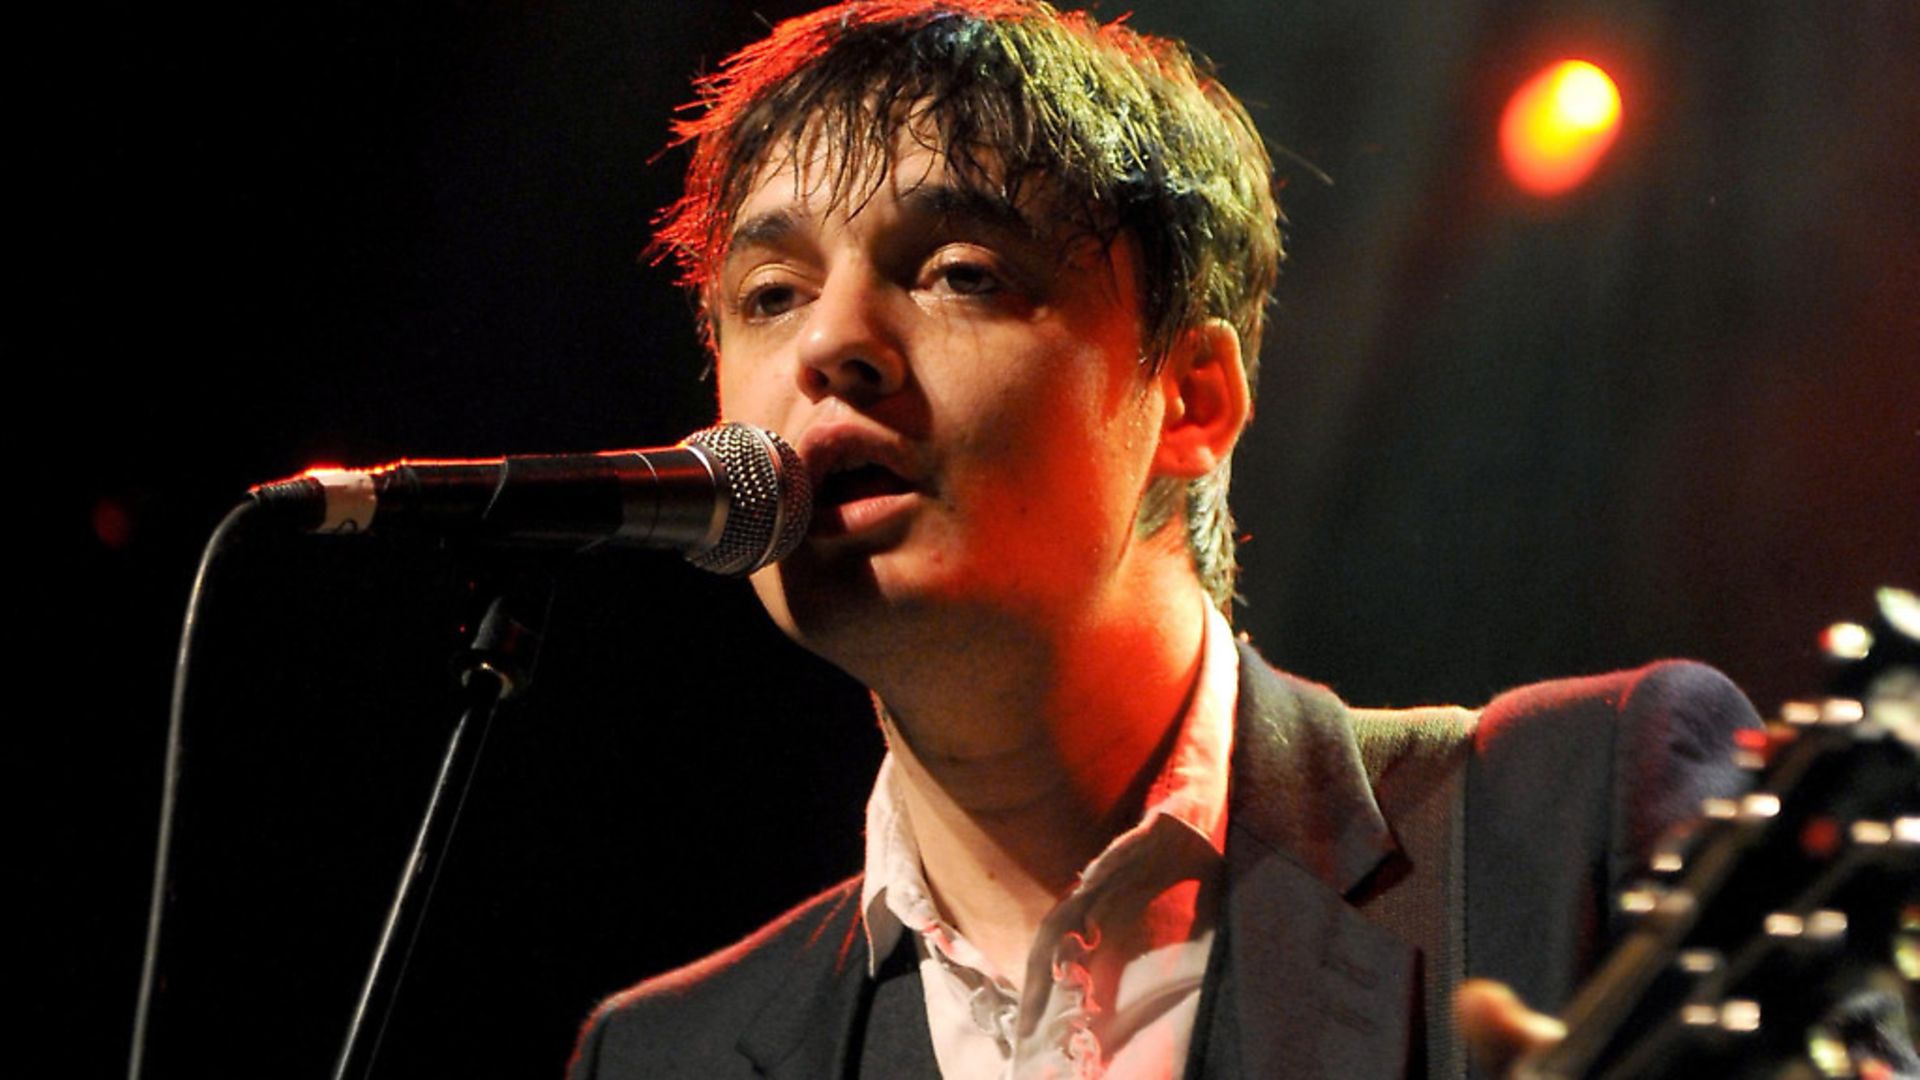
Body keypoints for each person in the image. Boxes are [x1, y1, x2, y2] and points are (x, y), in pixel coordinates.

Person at [568, 2, 1759, 1077]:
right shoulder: (665, 1052)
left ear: (1190, 399)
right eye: (770, 293)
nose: (830, 345)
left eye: (958, 271)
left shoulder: (1572, 825)